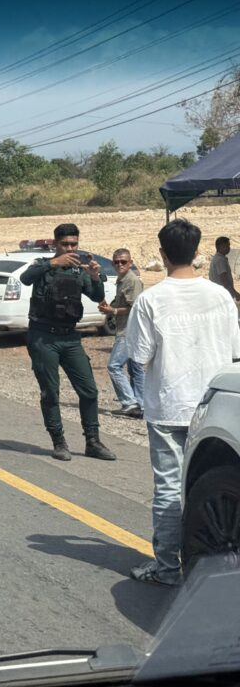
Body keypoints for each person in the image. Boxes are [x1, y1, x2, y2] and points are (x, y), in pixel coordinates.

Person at [126, 219, 240, 586]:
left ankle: (166, 568)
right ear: (198, 253)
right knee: (204, 483)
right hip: (214, 405)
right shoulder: (220, 296)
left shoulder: (150, 300)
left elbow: (139, 356)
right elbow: (236, 351)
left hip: (168, 406)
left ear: (162, 254)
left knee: (169, 488)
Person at [21, 223, 116, 461]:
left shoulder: (78, 270)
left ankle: (92, 442)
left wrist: (95, 277)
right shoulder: (43, 266)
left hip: (70, 337)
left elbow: (96, 296)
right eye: (65, 244)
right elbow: (25, 278)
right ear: (55, 244)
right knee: (50, 392)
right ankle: (58, 441)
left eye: (74, 244)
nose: (70, 248)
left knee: (89, 391)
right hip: (44, 337)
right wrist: (53, 263)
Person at [98, 249, 144, 418]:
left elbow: (135, 307)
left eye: (123, 262)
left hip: (129, 330)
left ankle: (129, 403)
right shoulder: (122, 280)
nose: (120, 265)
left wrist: (114, 311)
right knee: (135, 368)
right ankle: (140, 404)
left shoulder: (131, 281)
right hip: (128, 329)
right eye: (116, 262)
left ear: (130, 263)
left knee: (114, 365)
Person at [209, 236, 239, 302]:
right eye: (227, 245)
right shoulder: (220, 260)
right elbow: (224, 280)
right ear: (221, 247)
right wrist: (235, 293)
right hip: (222, 295)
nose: (229, 248)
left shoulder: (219, 258)